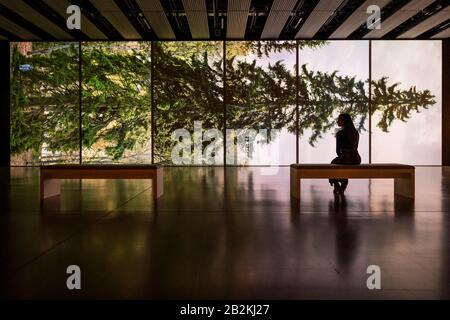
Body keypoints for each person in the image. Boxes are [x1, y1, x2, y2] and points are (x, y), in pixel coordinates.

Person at [330, 113, 361, 194]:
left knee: (332, 165)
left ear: (344, 121)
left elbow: (338, 151)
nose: (337, 121)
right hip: (356, 159)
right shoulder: (355, 133)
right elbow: (356, 148)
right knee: (338, 163)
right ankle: (344, 182)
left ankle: (337, 184)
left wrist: (342, 156)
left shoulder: (340, 133)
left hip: (345, 158)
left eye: (339, 120)